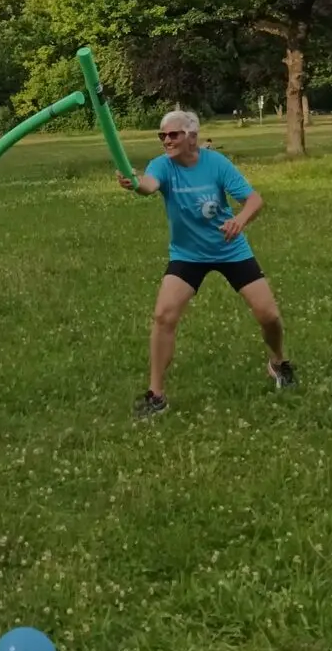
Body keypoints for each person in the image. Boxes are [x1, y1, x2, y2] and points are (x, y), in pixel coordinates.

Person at [118, 107, 294, 418]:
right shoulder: (163, 165)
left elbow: (254, 200)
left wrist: (239, 221)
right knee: (163, 316)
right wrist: (134, 183)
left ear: (192, 137)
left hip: (230, 249)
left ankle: (278, 362)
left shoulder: (216, 164)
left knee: (268, 315)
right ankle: (156, 395)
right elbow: (148, 185)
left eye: (174, 134)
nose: (167, 140)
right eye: (163, 135)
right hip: (188, 255)